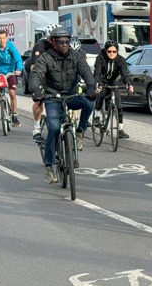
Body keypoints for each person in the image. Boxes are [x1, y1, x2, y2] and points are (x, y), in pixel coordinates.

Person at [28, 26, 97, 184]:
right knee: (53, 127)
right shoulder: (46, 57)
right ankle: (48, 166)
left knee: (88, 105)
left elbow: (86, 71)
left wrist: (91, 86)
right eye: (61, 42)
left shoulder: (76, 56)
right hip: (53, 97)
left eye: (66, 41)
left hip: (71, 95)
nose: (64, 44)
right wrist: (36, 90)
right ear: (53, 42)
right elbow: (36, 75)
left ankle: (79, 132)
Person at [93, 40, 134, 138]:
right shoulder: (100, 58)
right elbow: (97, 73)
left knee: (119, 106)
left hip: (112, 81)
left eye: (114, 52)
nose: (111, 54)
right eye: (109, 51)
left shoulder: (121, 60)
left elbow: (124, 74)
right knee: (101, 94)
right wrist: (98, 84)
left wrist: (128, 84)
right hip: (102, 80)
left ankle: (120, 130)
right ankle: (97, 117)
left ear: (117, 51)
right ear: (105, 51)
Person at [26, 23, 60, 142]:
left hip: (56, 78)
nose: (54, 41)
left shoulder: (61, 45)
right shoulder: (40, 46)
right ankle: (36, 127)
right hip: (42, 77)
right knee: (39, 101)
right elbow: (35, 67)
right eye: (52, 38)